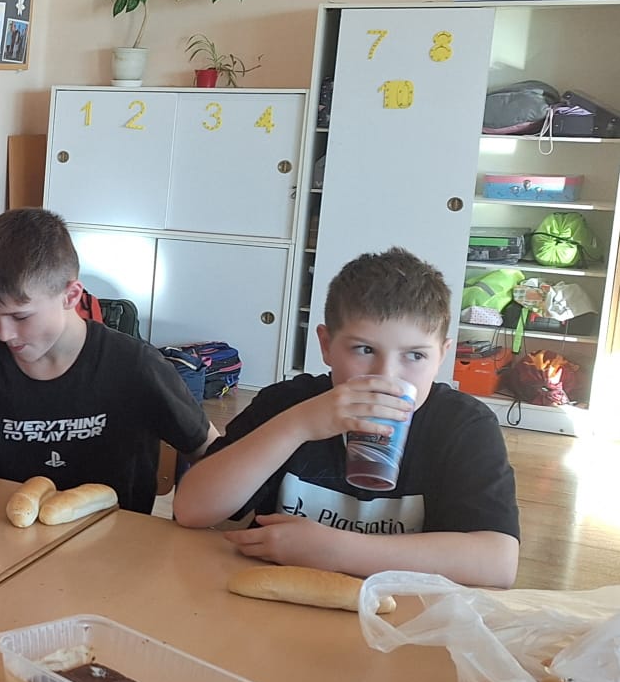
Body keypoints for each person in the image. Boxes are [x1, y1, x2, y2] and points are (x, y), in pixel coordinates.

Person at [173, 248, 520, 587]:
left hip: (405, 611)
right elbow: (191, 509)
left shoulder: (464, 426)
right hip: (278, 600)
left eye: (415, 355)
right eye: (364, 350)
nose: (386, 376)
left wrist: (338, 551)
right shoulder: (287, 405)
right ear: (326, 345)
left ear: (441, 356)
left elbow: (498, 562)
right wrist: (298, 425)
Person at [0, 208, 215, 513]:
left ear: (71, 296)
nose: (4, 334)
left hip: (117, 537)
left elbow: (212, 454)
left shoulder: (136, 366)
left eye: (20, 316)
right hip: (7, 529)